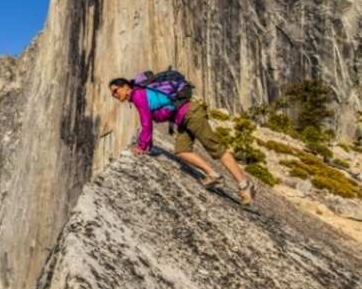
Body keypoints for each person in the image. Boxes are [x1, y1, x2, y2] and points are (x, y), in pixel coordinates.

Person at [109, 77, 257, 205]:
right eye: (112, 93)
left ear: (126, 87)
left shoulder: (138, 95)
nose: (114, 95)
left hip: (191, 114)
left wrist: (141, 147)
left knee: (216, 149)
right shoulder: (139, 94)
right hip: (182, 118)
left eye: (115, 91)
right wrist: (148, 145)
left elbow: (146, 123)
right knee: (182, 150)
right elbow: (149, 123)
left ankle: (244, 184)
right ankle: (213, 175)